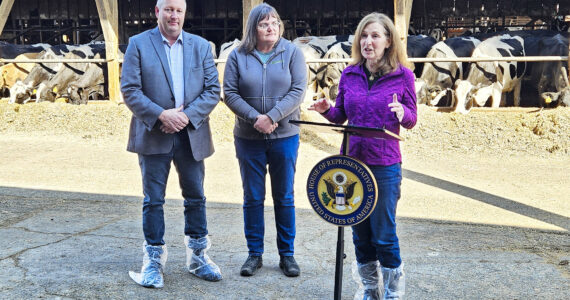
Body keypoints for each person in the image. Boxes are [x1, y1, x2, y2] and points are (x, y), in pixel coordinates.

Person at [308, 12, 417, 299]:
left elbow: (412, 119)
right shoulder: (349, 73)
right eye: (364, 36)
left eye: (375, 36)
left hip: (384, 165)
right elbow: (341, 115)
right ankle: (370, 290)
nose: (368, 42)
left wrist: (403, 112)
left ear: (388, 40)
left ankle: (393, 294)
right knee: (360, 235)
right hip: (353, 164)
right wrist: (326, 110)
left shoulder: (403, 75)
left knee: (384, 234)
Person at [121, 0, 222, 288]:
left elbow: (213, 89)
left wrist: (186, 117)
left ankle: (199, 257)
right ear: (157, 12)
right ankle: (152, 262)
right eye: (168, 9)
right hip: (154, 132)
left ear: (184, 14)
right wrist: (161, 115)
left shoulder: (201, 46)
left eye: (178, 10)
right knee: (153, 200)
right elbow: (130, 88)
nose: (173, 15)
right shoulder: (138, 44)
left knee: (196, 196)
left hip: (191, 133)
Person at [223, 3, 307, 277]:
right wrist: (254, 118)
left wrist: (272, 117)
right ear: (253, 29)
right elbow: (230, 93)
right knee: (253, 196)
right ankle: (254, 254)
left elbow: (298, 90)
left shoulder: (292, 52)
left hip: (284, 135)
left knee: (284, 196)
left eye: (274, 23)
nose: (271, 28)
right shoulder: (238, 56)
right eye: (264, 24)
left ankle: (287, 255)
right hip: (248, 137)